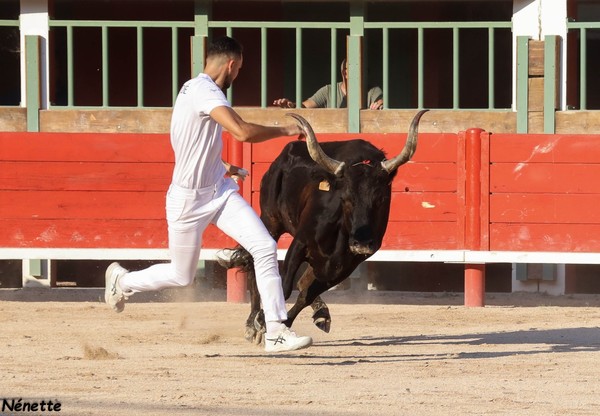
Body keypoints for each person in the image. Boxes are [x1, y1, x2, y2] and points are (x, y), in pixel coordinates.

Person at [105, 36, 312, 353]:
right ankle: (123, 282)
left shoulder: (192, 88)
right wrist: (284, 131)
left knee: (264, 246)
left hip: (218, 189)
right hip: (188, 199)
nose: (237, 74)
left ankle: (275, 330)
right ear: (231, 64)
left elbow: (191, 142)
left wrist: (223, 165)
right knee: (181, 274)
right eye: (239, 68)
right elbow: (241, 132)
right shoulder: (205, 91)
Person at [272, 59, 384, 110]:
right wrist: (292, 105)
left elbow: (382, 105)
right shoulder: (329, 91)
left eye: (363, 70)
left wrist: (380, 106)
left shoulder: (373, 90)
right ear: (345, 73)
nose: (362, 73)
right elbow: (305, 106)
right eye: (357, 69)